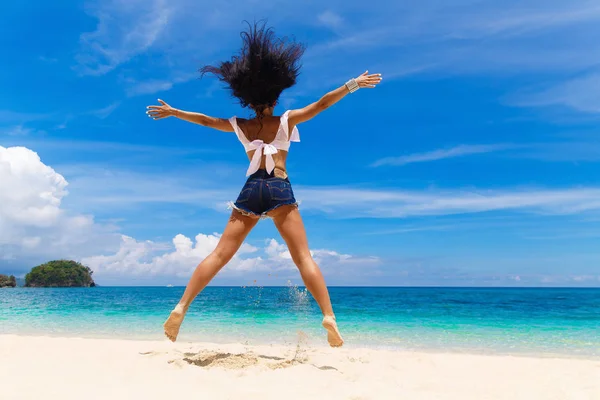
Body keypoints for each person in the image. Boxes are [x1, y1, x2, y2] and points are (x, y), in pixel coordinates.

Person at [146, 22, 382, 347]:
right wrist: (352, 84)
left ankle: (181, 307)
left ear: (247, 97)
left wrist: (174, 112)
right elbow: (323, 103)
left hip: (250, 189)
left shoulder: (239, 125)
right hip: (279, 188)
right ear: (274, 94)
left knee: (218, 255)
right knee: (302, 258)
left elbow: (203, 119)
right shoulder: (286, 120)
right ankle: (328, 315)